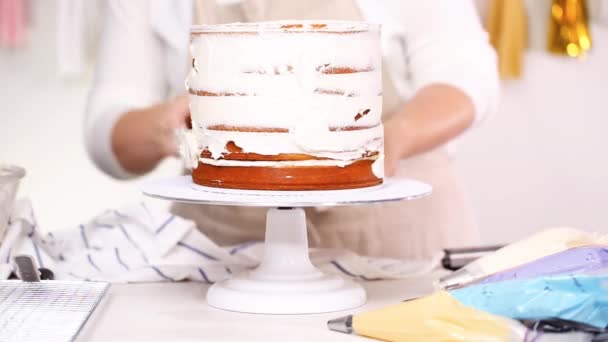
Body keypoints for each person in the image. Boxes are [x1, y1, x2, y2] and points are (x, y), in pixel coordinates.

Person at [85, 0, 499, 260]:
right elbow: (106, 131)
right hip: (219, 248)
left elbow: (467, 75)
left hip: (400, 240)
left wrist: (393, 137)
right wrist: (170, 123)